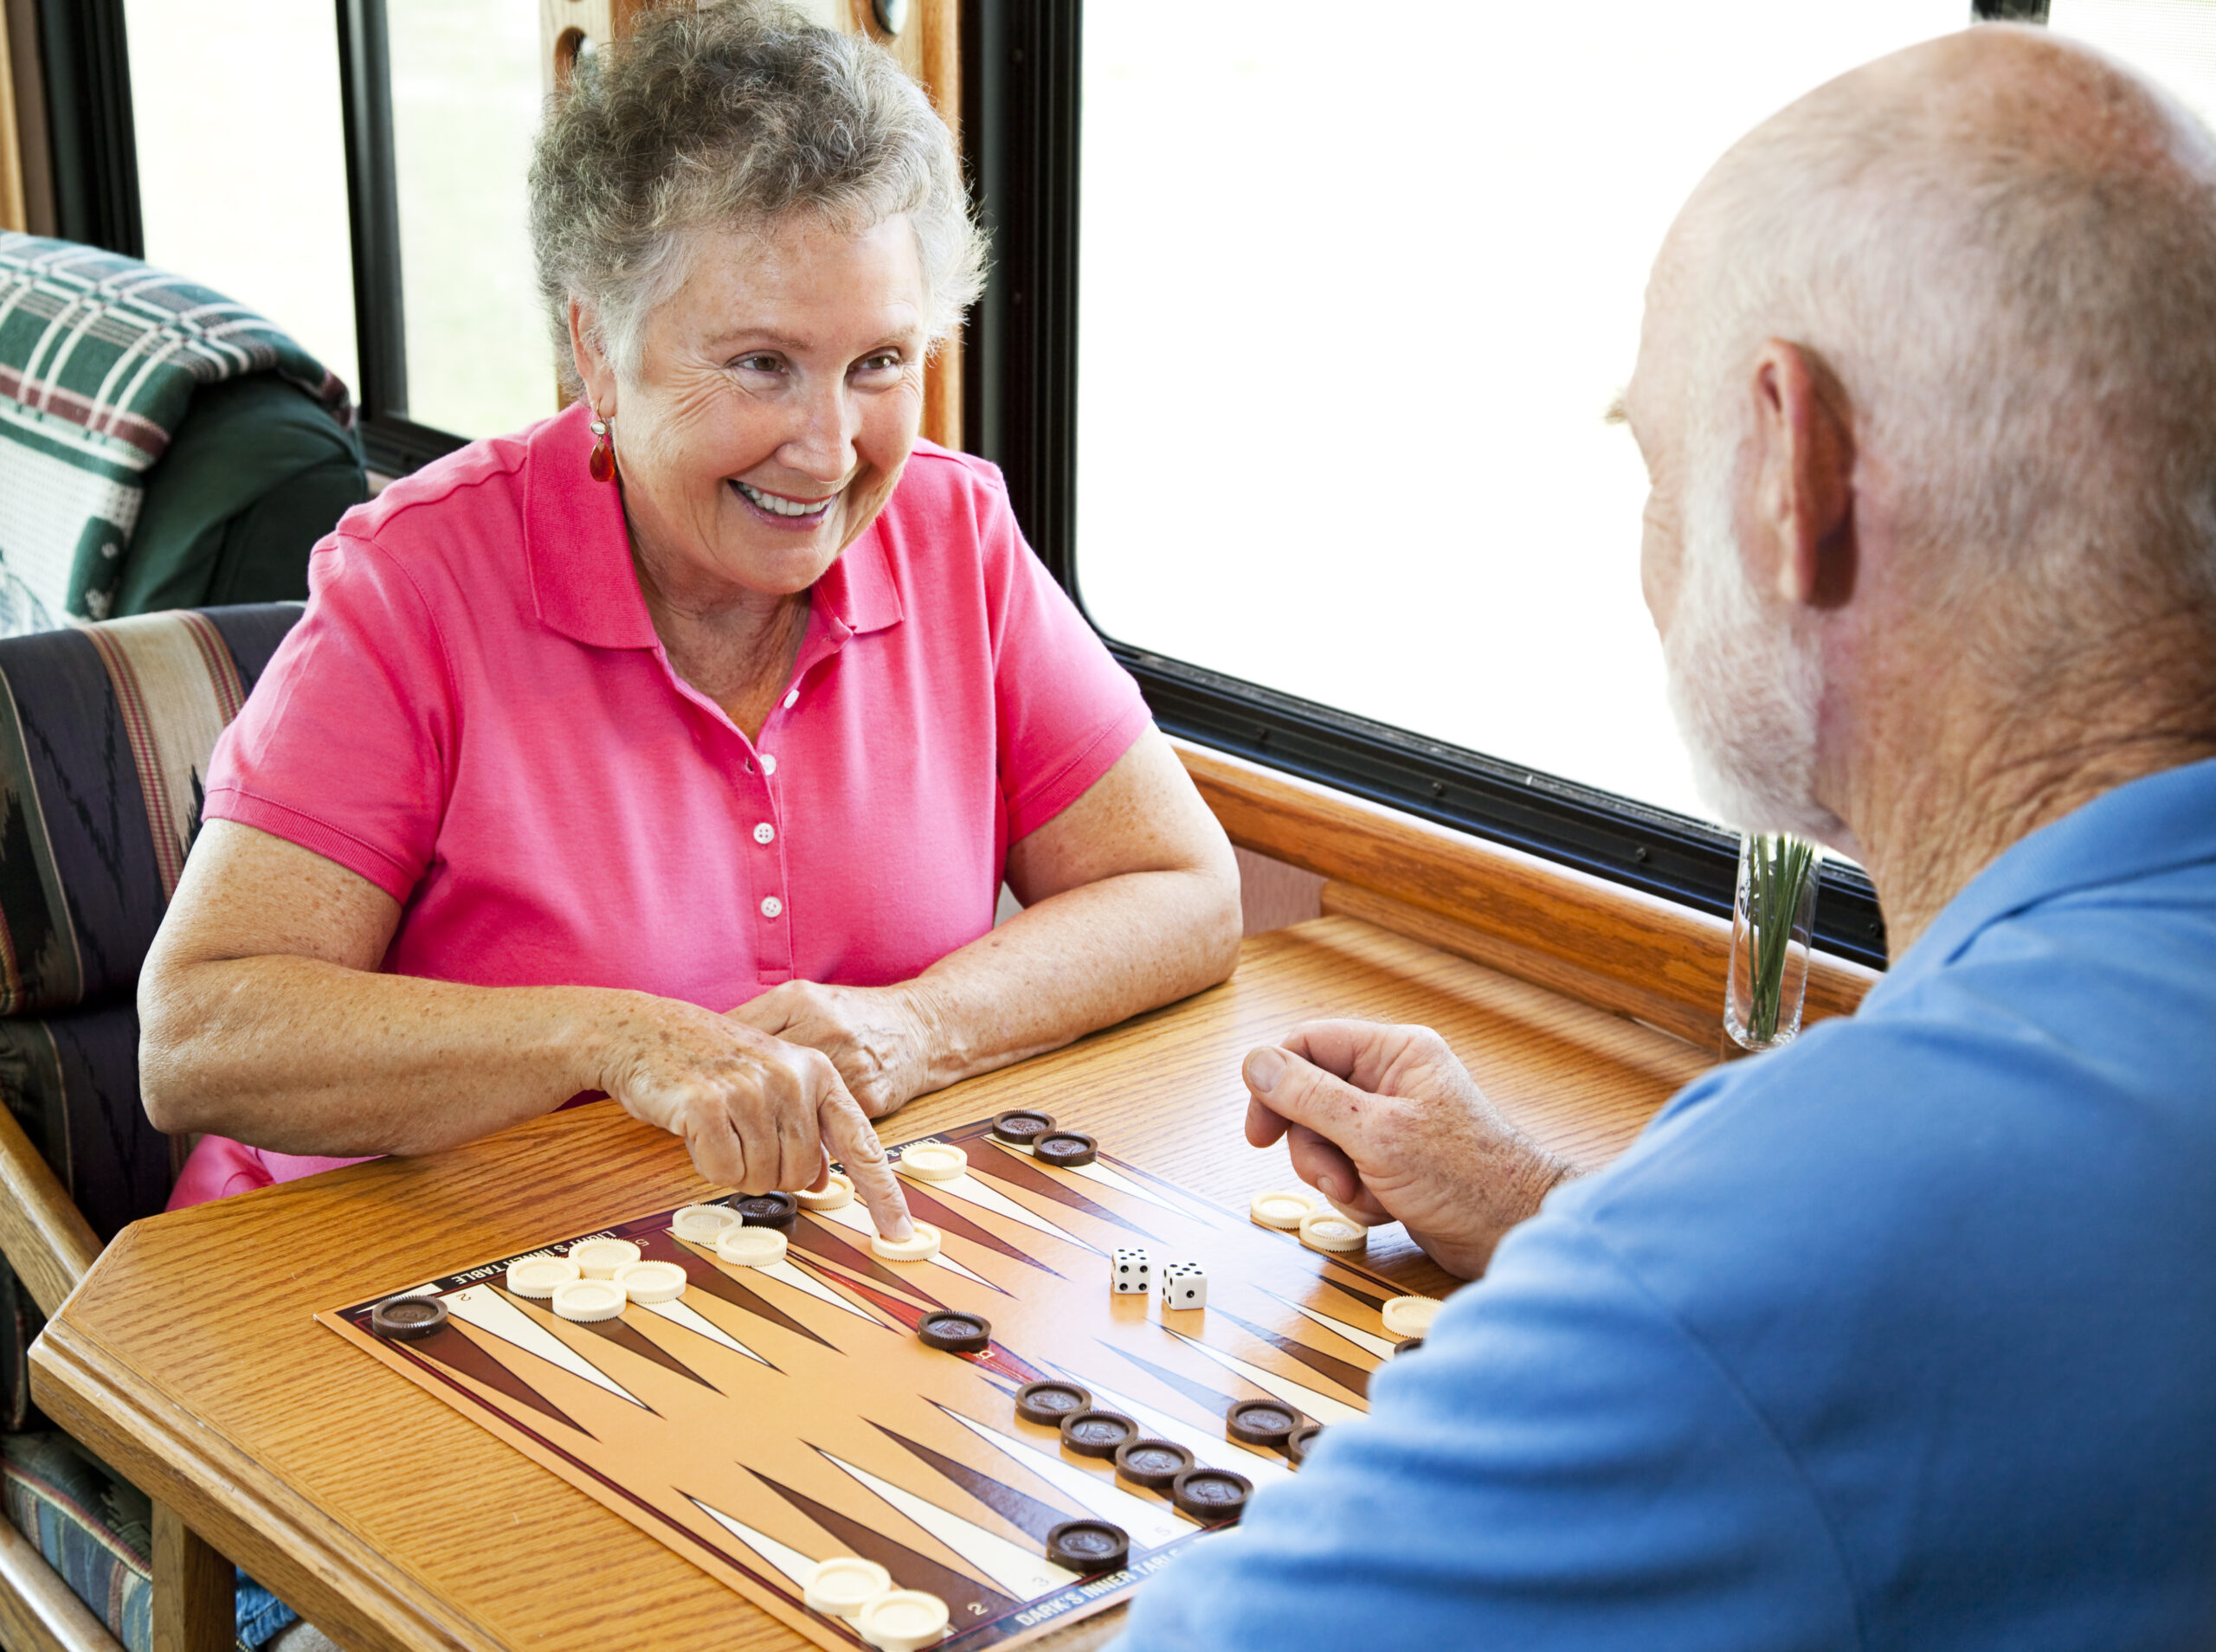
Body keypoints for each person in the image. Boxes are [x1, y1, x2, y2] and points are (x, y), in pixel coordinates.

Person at [1123, 25, 2216, 1650]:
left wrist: (1658, 1277)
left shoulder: (1823, 1215)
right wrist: (1548, 1208)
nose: (1645, 548)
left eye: (1655, 457)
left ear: (1792, 469)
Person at [135, 3, 1241, 1239]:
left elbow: (1182, 887)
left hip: (758, 1260)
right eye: (762, 363)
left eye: (879, 361)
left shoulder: (954, 536)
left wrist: (918, 1025)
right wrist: (611, 1037)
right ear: (597, 351)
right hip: (378, 1287)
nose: (828, 451)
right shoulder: (415, 587)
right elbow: (199, 1035)